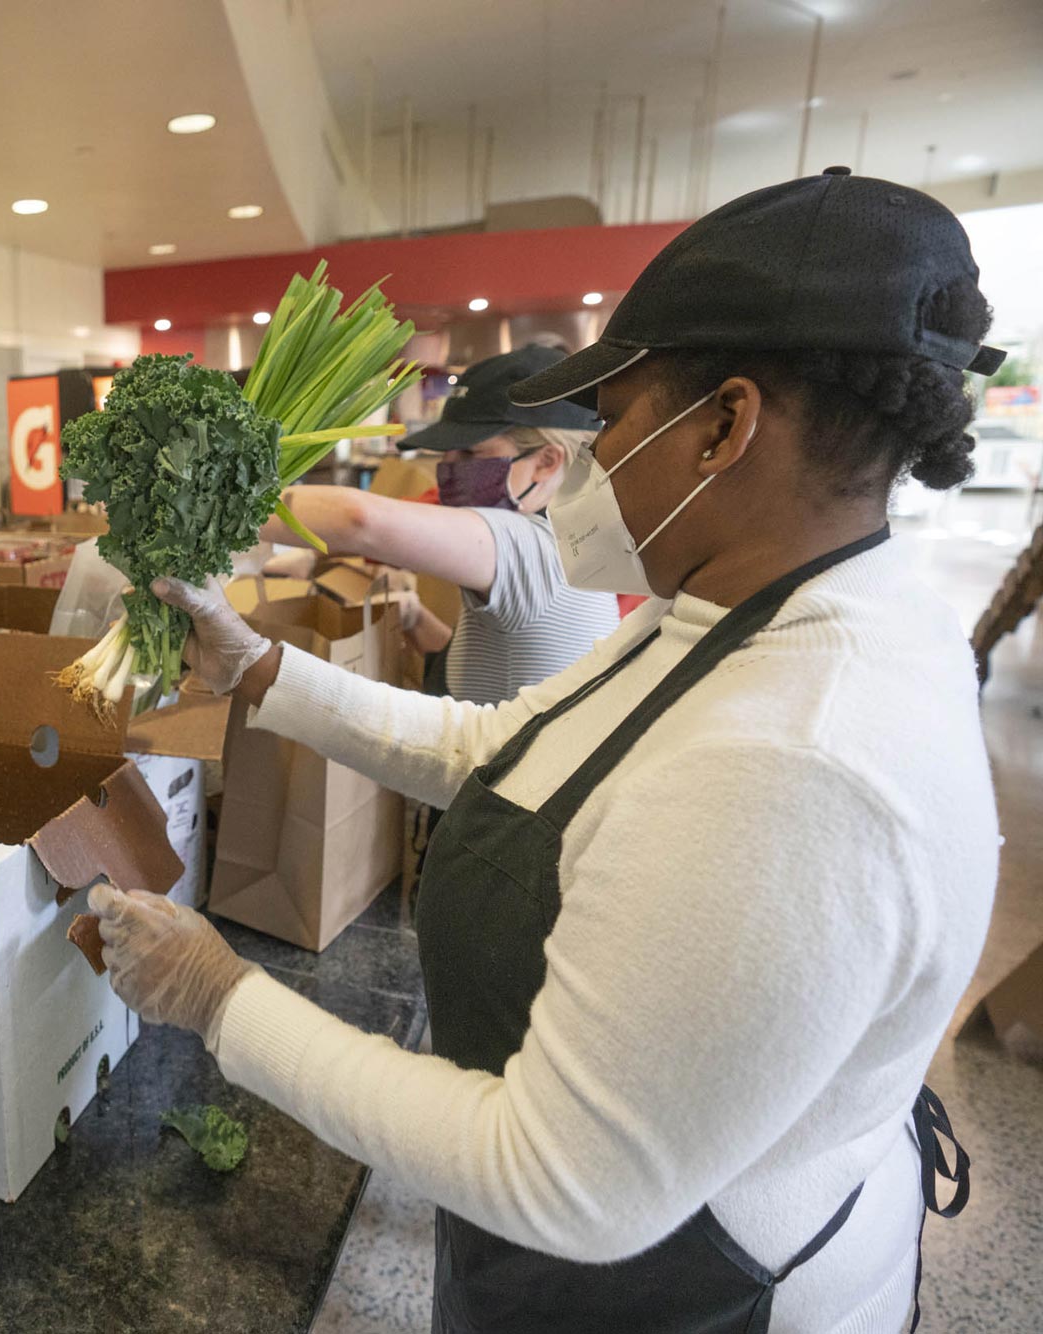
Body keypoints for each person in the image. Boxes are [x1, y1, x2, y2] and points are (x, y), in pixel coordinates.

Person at [92, 168, 997, 1332]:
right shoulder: (724, 608)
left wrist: (218, 996)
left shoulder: (802, 759)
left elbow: (561, 1179)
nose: (581, 465)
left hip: (689, 1293)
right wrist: (258, 669)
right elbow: (503, 751)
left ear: (724, 424)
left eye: (610, 421)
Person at [267, 345, 622, 704]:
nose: (449, 466)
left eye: (471, 453)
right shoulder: (570, 540)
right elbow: (492, 672)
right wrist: (416, 619)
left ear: (546, 461)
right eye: (448, 451)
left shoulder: (531, 545)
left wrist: (226, 502)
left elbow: (360, 521)